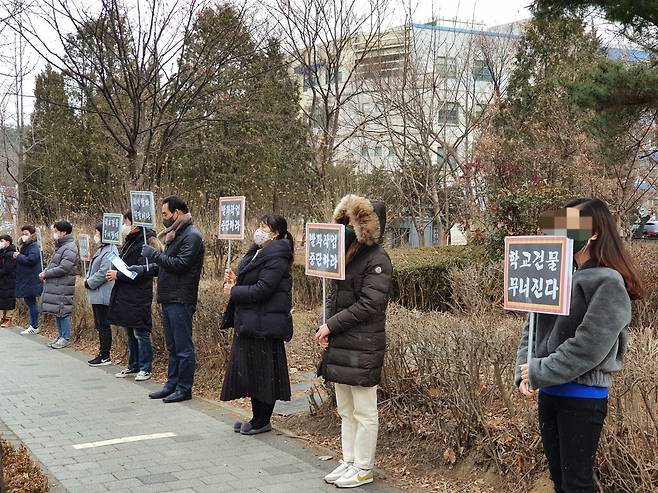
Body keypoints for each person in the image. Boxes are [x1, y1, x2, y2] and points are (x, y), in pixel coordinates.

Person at [515, 198, 644, 493]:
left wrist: (538, 370)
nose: (559, 231)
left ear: (594, 232)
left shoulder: (608, 282)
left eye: (569, 225)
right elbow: (532, 327)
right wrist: (524, 370)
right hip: (549, 391)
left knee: (577, 485)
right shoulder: (558, 277)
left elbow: (589, 346)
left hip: (582, 396)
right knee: (560, 482)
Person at [315, 195, 392, 489]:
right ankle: (349, 460)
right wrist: (326, 329)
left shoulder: (377, 259)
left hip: (363, 345)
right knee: (345, 409)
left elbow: (370, 305)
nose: (347, 226)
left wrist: (331, 325)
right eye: (344, 220)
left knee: (364, 410)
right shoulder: (346, 255)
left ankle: (363, 467)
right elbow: (334, 299)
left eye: (353, 221)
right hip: (342, 342)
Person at [220, 213, 294, 435]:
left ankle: (263, 420)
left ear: (277, 233)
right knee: (253, 372)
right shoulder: (258, 251)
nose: (260, 230)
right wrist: (236, 281)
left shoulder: (278, 255)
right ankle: (256, 417)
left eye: (265, 227)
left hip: (265, 323)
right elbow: (252, 280)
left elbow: (263, 289)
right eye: (260, 225)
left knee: (264, 374)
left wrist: (235, 291)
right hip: (252, 320)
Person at [136, 196, 204, 403]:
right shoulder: (175, 234)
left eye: (165, 214)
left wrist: (155, 256)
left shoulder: (191, 236)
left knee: (183, 348)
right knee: (172, 346)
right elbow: (167, 266)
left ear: (178, 213)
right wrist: (142, 269)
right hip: (169, 297)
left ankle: (184, 388)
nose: (163, 218)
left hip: (181, 297)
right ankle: (171, 384)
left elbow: (180, 264)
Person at [107, 211, 162, 382]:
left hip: (138, 294)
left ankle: (145, 367)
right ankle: (133, 365)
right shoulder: (130, 242)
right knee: (129, 330)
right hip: (125, 294)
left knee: (140, 331)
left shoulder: (148, 243)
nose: (124, 225)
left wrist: (119, 275)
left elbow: (143, 272)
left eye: (126, 222)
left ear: (135, 225)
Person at [41, 221, 78, 349]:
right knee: (58, 311)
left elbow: (63, 268)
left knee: (63, 311)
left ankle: (65, 337)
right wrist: (46, 271)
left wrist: (47, 273)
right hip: (57, 285)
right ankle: (60, 335)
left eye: (56, 231)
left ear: (63, 232)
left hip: (63, 285)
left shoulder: (69, 247)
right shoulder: (62, 246)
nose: (54, 234)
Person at [85, 224, 118, 367]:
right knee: (99, 324)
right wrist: (87, 278)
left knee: (104, 325)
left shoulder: (111, 249)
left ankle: (105, 355)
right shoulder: (102, 249)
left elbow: (105, 271)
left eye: (98, 233)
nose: (96, 236)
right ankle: (102, 353)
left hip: (103, 292)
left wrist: (89, 282)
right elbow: (93, 268)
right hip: (96, 293)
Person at [15, 225, 43, 335]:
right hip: (27, 279)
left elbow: (31, 260)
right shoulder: (26, 246)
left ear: (32, 234)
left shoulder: (34, 246)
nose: (24, 236)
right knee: (30, 302)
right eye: (22, 234)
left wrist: (18, 256)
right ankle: (33, 324)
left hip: (31, 279)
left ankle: (34, 325)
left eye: (26, 234)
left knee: (31, 303)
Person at [0, 235, 17, 327]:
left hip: (10, 279)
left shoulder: (12, 253)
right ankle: (2, 318)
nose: (1, 243)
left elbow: (8, 268)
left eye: (2, 241)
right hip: (2, 279)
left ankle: (8, 319)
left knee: (9, 298)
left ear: (8, 242)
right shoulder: (3, 252)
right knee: (2, 298)